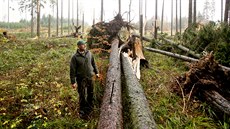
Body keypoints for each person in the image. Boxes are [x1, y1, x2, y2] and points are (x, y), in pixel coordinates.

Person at [70, 40, 99, 118]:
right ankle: (82, 110)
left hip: (90, 77)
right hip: (81, 79)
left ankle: (90, 107)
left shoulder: (89, 53)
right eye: (81, 45)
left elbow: (93, 63)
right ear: (78, 46)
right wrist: (73, 82)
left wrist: (97, 72)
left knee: (91, 93)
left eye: (84, 45)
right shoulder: (75, 57)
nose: (83, 46)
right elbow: (72, 70)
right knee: (82, 94)